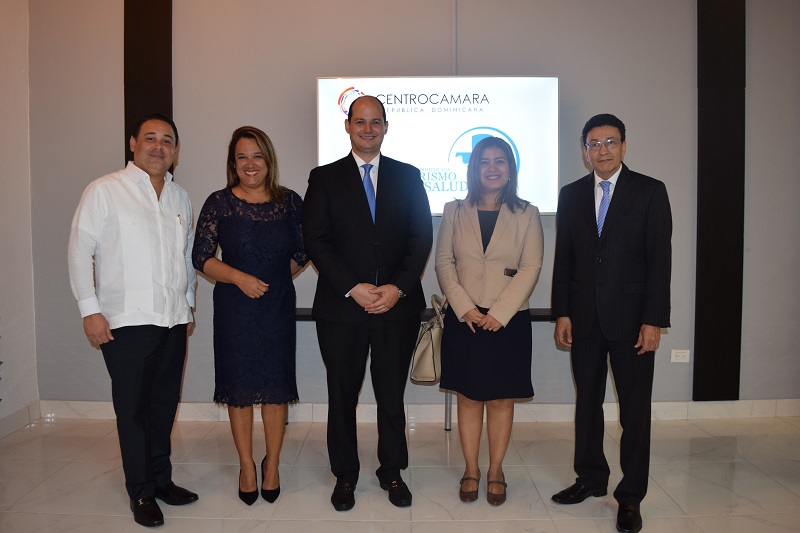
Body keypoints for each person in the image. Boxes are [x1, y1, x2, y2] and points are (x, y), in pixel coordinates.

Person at [68, 114, 199, 528]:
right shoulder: (105, 190)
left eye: (167, 140)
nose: (159, 146)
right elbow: (79, 251)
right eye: (150, 138)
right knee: (134, 410)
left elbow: (185, 255)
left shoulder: (180, 197)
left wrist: (188, 304)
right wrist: (90, 310)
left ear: (175, 150)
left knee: (163, 406)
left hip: (173, 320)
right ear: (133, 143)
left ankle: (161, 480)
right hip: (126, 322)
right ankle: (140, 491)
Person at [302, 95, 432, 511]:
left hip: (397, 307)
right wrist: (352, 287)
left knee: (391, 395)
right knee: (342, 395)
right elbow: (315, 241)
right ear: (348, 126)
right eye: (360, 121)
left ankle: (392, 471)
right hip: (342, 307)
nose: (368, 129)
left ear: (386, 127)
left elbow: (420, 238)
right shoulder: (324, 178)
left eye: (376, 122)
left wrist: (397, 288)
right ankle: (345, 475)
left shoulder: (408, 176)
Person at [551, 114, 672, 533]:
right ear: (584, 150)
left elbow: (660, 261)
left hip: (633, 321)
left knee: (634, 412)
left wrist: (653, 320)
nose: (602, 150)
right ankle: (590, 478)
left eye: (610, 142)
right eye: (594, 143)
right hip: (584, 319)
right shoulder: (571, 194)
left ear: (623, 146)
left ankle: (631, 495)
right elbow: (565, 258)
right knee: (587, 404)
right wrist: (562, 311)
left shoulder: (650, 191)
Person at [192, 126, 308, 505]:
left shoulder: (290, 202)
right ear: (233, 163)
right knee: (239, 390)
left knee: (275, 387)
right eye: (242, 156)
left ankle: (271, 464)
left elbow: (304, 250)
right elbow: (201, 257)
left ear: (268, 160)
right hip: (234, 308)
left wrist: (274, 279)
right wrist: (241, 279)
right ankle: (246, 466)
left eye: (257, 155)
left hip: (276, 307)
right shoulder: (219, 203)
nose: (250, 163)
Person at [435, 136, 544, 506]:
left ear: (510, 168)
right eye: (484, 161)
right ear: (474, 168)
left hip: (508, 321)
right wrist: (463, 306)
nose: (492, 168)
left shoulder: (528, 213)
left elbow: (532, 266)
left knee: (500, 400)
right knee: (468, 399)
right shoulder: (454, 210)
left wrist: (499, 313)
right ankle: (471, 469)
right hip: (464, 319)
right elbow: (444, 262)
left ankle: (496, 470)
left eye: (500, 161)